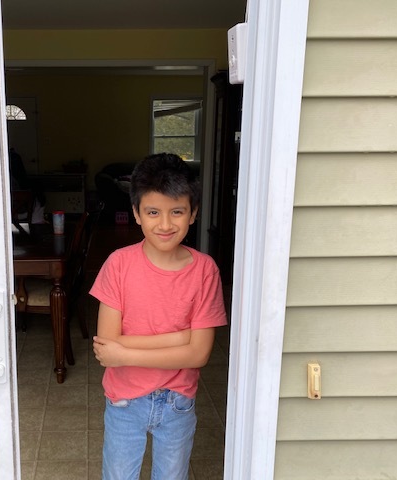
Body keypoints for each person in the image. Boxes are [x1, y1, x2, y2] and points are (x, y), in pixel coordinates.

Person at [90, 153, 228, 480]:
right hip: (124, 401)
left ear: (193, 214)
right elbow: (108, 351)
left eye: (176, 212)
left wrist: (126, 351)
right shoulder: (118, 265)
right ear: (136, 214)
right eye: (153, 212)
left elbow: (198, 355)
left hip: (178, 403)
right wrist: (181, 338)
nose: (165, 225)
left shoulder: (205, 270)